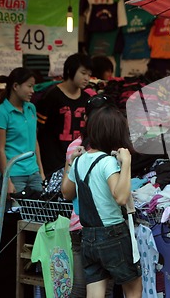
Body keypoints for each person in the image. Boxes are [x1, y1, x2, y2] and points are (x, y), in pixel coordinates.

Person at [61, 105, 142, 298]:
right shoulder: (107, 162)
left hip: (88, 235)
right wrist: (127, 163)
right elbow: (121, 197)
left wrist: (70, 162)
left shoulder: (80, 160)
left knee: (95, 293)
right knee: (133, 291)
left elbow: (66, 192)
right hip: (113, 234)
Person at [61, 94, 116, 298]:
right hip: (88, 227)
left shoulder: (112, 146)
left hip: (99, 227)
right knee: (83, 289)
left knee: (98, 289)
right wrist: (72, 163)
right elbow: (67, 192)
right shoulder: (78, 148)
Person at [37, 53, 92, 177]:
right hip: (52, 163)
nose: (87, 78)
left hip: (78, 161)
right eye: (83, 73)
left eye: (89, 74)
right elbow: (38, 131)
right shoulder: (51, 96)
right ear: (69, 71)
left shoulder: (87, 98)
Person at [0, 67, 45, 197]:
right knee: (15, 215)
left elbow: (34, 141)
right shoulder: (2, 112)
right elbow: (0, 149)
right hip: (14, 174)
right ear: (15, 86)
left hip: (33, 172)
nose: (32, 91)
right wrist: (7, 179)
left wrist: (40, 171)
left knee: (39, 213)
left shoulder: (31, 108)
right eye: (29, 86)